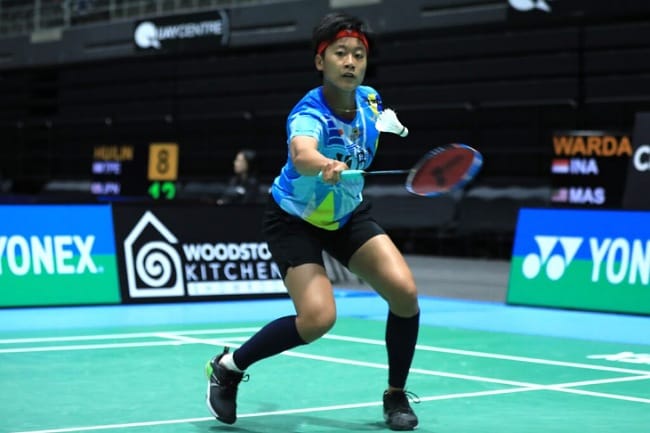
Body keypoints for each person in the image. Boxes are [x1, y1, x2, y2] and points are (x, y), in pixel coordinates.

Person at [205, 12, 421, 431]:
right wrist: (324, 164)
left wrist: (389, 125)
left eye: (358, 54)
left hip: (346, 214)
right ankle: (228, 367)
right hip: (294, 218)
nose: (350, 62)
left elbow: (373, 123)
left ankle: (395, 394)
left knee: (405, 294)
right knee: (318, 318)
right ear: (320, 61)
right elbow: (302, 153)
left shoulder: (370, 99)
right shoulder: (308, 113)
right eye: (340, 53)